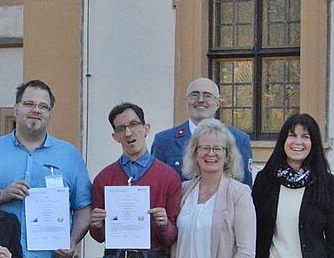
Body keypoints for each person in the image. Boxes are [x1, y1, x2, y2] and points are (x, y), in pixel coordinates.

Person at [0, 79, 92, 258]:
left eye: (43, 106)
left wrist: (72, 240)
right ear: (16, 109)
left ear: (49, 114)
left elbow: (84, 207)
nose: (36, 110)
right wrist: (2, 195)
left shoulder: (69, 155)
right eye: (29, 104)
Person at [90, 102, 180, 258]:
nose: (128, 133)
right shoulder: (104, 179)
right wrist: (96, 225)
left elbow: (171, 237)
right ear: (115, 137)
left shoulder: (169, 177)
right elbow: (99, 237)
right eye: (120, 129)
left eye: (134, 124)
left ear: (146, 128)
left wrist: (164, 224)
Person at [252, 113, 334, 258]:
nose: (298, 142)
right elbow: (252, 230)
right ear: (283, 140)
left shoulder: (329, 184)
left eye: (305, 137)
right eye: (292, 135)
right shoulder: (264, 180)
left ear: (313, 143)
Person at [174, 119, 255, 258]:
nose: (211, 153)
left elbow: (246, 251)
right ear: (195, 153)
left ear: (227, 156)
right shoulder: (184, 190)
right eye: (204, 148)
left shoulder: (239, 193)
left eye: (217, 148)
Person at [152, 77, 254, 186]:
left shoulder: (239, 140)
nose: (200, 100)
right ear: (186, 101)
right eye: (194, 95)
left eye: (207, 95)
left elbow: (245, 186)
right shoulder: (164, 141)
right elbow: (155, 185)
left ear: (218, 103)